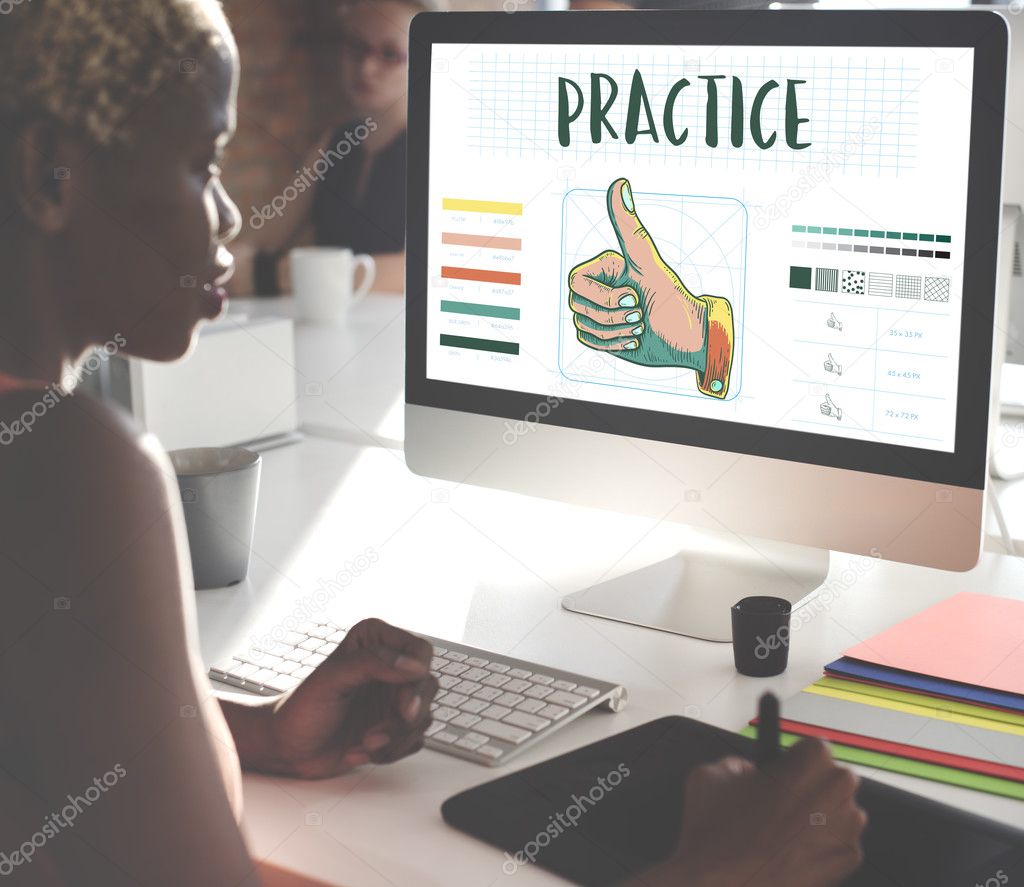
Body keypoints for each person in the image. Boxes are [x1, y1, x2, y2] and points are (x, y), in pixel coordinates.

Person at [0, 1, 865, 884]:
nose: (227, 213)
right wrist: (725, 869)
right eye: (201, 164)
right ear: (47, 171)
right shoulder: (70, 469)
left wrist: (253, 730)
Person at [240, 0, 445, 298]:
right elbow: (261, 235)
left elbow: (422, 268)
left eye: (390, 54)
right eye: (357, 47)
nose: (367, 68)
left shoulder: (435, 148)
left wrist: (268, 275)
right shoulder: (334, 142)